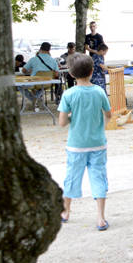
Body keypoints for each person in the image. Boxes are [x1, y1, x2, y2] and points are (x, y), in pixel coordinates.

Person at [57, 53, 112, 230]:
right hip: (98, 143)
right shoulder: (99, 91)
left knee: (72, 177)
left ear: (71, 74)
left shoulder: (69, 94)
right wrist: (100, 126)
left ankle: (66, 211)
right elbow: (108, 114)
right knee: (98, 177)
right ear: (92, 71)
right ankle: (100, 218)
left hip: (76, 145)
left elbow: (62, 122)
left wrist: (74, 117)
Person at [20, 42, 59, 106]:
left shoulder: (33, 59)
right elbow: (56, 74)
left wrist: (31, 71)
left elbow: (23, 71)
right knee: (42, 88)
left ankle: (33, 98)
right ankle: (36, 97)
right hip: (47, 84)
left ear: (40, 48)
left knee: (19, 86)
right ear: (49, 50)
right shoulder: (53, 61)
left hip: (34, 83)